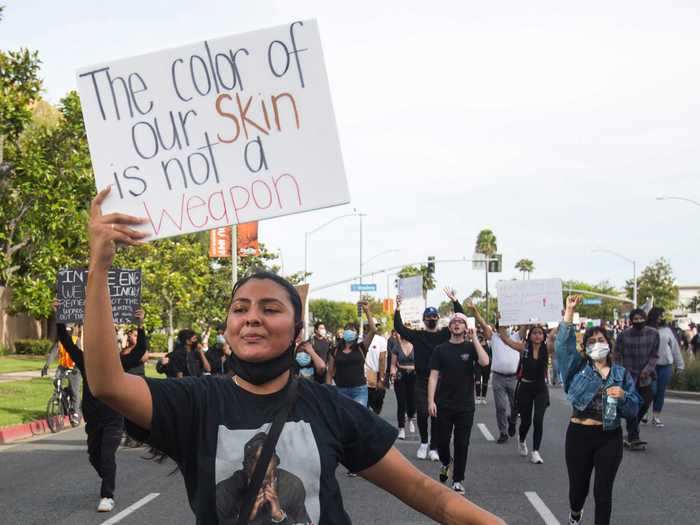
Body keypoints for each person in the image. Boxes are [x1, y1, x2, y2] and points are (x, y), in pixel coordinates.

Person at [82, 189, 504, 525]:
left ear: (297, 332)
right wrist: (99, 268)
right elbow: (106, 383)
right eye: (240, 309)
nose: (252, 318)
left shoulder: (329, 409)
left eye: (270, 309)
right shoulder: (196, 402)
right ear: (228, 327)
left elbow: (426, 494)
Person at [556, 296, 641, 525]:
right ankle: (575, 514)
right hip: (579, 434)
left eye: (601, 340)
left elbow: (634, 409)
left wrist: (623, 396)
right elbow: (562, 347)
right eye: (591, 341)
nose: (596, 344)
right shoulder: (577, 368)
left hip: (609, 437)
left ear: (609, 344)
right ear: (585, 347)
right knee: (578, 489)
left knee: (603, 493)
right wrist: (569, 312)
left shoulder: (621, 374)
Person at [57, 304, 147, 513]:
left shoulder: (119, 362)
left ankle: (107, 495)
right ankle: (108, 475)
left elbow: (140, 350)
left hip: (114, 416)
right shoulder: (85, 360)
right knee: (94, 455)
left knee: (107, 455)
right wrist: (59, 317)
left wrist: (140, 324)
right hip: (93, 418)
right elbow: (66, 343)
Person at [394, 287, 464, 460]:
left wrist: (454, 301)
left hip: (441, 380)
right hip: (421, 380)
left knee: (437, 414)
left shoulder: (443, 334)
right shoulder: (418, 336)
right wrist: (397, 308)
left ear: (438, 319)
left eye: (434, 317)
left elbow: (460, 318)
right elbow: (399, 327)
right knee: (423, 412)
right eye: (428, 317)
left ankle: (434, 447)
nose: (431, 319)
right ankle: (424, 442)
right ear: (424, 320)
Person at [428, 313, 490, 494]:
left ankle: (457, 480)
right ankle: (447, 463)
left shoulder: (471, 347)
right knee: (442, 442)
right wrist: (431, 401)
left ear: (465, 327)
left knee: (462, 443)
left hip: (465, 405)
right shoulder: (440, 349)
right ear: (449, 327)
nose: (456, 324)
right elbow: (433, 376)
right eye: (453, 322)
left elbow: (485, 362)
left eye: (460, 322)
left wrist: (474, 340)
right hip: (443, 404)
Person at [215, 432, 312, 524]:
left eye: (267, 459)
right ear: (245, 466)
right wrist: (245, 518)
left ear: (276, 462)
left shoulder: (292, 485)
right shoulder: (224, 492)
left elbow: (303, 522)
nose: (261, 467)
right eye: (254, 460)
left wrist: (279, 517)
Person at [468, 303, 522, 444]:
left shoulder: (516, 336)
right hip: (498, 377)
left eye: (507, 324)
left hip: (514, 378)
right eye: (503, 325)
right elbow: (483, 324)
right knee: (501, 407)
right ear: (498, 326)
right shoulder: (494, 338)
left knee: (516, 405)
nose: (506, 327)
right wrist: (475, 311)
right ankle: (503, 432)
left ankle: (512, 420)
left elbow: (526, 325)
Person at [499, 324, 550, 464]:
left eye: (540, 333)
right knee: (526, 421)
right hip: (525, 388)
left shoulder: (548, 348)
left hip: (541, 389)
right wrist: (502, 321)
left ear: (544, 336)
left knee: (538, 419)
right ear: (529, 335)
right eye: (534, 333)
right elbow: (505, 338)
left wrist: (563, 317)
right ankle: (521, 440)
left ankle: (535, 452)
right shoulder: (523, 347)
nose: (537, 335)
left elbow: (561, 336)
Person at [614, 308, 659, 450]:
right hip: (628, 376)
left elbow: (654, 355)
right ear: (631, 320)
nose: (638, 321)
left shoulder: (653, 334)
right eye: (636, 319)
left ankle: (632, 425)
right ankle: (634, 436)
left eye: (641, 319)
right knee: (632, 404)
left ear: (645, 319)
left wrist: (647, 370)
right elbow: (617, 355)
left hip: (646, 376)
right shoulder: (623, 335)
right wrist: (620, 374)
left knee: (646, 402)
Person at [325, 303, 376, 407]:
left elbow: (374, 330)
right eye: (347, 329)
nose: (349, 331)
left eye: (352, 330)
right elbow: (329, 372)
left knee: (358, 418)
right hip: (340, 390)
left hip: (359, 390)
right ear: (343, 333)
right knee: (343, 420)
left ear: (356, 334)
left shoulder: (361, 347)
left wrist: (367, 311)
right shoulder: (335, 350)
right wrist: (328, 391)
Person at [646, 308, 684, 427]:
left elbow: (675, 348)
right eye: (660, 315)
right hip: (650, 366)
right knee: (651, 390)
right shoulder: (646, 329)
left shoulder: (667, 330)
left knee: (660, 391)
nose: (662, 317)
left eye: (663, 315)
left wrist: (680, 365)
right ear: (654, 316)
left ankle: (656, 417)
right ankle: (644, 412)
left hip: (665, 366)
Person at [42, 325, 83, 424]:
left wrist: (76, 366)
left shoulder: (75, 340)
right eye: (66, 331)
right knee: (56, 382)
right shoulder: (60, 343)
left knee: (74, 391)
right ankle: (63, 400)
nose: (67, 333)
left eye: (69, 331)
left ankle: (76, 415)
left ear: (71, 332)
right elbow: (53, 354)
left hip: (75, 368)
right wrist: (46, 366)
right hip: (63, 367)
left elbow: (78, 354)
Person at [389, 331, 416, 440]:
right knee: (401, 402)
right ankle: (401, 429)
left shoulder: (415, 346)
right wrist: (392, 372)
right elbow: (392, 364)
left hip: (414, 376)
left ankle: (410, 418)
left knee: (412, 403)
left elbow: (421, 363)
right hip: (400, 376)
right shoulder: (397, 346)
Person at [365, 323, 388, 415]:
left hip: (375, 376)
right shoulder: (360, 339)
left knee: (375, 408)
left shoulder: (381, 340)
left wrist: (381, 379)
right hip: (364, 377)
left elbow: (382, 359)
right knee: (367, 407)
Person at [473, 330, 492, 404]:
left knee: (485, 382)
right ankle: (477, 397)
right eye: (480, 335)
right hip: (478, 365)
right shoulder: (476, 344)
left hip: (487, 366)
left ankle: (483, 397)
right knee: (477, 381)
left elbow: (491, 355)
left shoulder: (489, 344)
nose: (481, 336)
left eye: (483, 335)